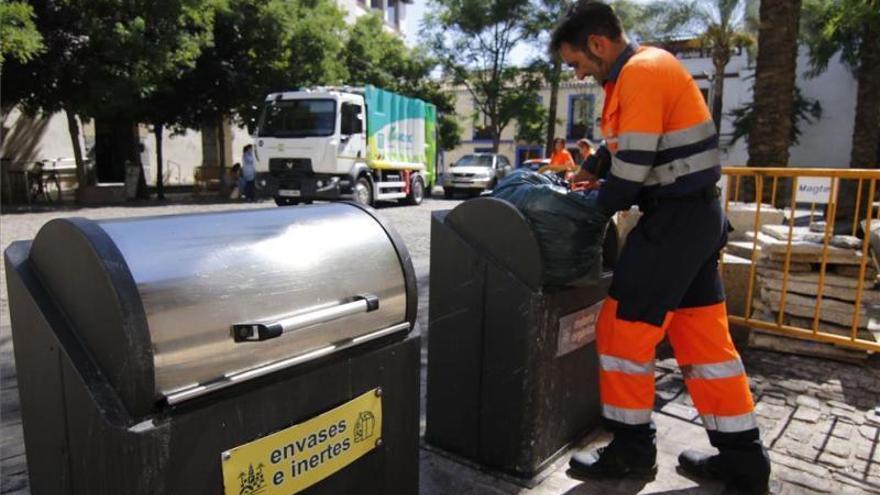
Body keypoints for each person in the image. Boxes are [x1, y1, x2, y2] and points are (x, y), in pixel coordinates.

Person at [550, 3, 770, 494]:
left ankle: (631, 450)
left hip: (673, 222)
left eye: (576, 62)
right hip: (693, 218)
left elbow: (636, 164)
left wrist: (593, 208)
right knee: (705, 344)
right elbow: (624, 145)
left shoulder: (642, 72)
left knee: (622, 331)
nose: (578, 73)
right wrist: (596, 166)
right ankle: (744, 461)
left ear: (598, 44)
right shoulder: (634, 74)